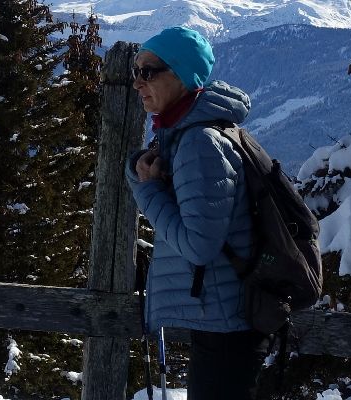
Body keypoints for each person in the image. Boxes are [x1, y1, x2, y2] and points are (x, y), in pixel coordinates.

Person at [126, 26, 264, 400]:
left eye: (149, 71)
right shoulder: (186, 132)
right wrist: (141, 170)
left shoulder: (199, 143)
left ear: (183, 75)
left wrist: (149, 191)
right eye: (135, 71)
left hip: (226, 330)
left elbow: (200, 246)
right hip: (225, 320)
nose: (138, 83)